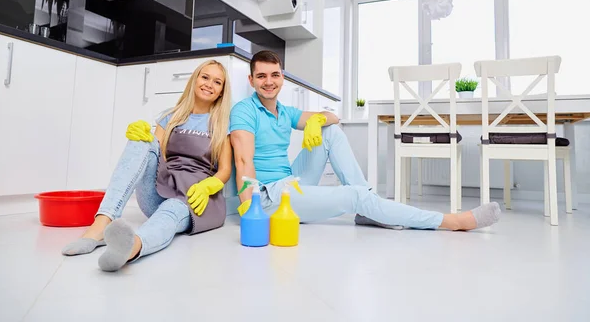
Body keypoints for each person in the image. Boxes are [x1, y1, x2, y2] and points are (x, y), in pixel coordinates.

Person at [230, 51, 500, 231]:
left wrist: (317, 120)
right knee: (355, 196)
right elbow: (243, 160)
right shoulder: (244, 110)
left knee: (331, 132)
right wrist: (249, 211)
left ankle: (369, 206)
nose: (269, 82)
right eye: (262, 76)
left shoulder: (284, 111)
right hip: (266, 198)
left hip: (290, 183)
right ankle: (451, 222)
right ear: (251, 80)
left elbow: (332, 117)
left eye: (274, 75)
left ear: (282, 78)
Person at [62, 60, 233, 271]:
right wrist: (142, 139)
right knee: (142, 140)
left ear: (221, 92)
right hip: (164, 189)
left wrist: (208, 186)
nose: (209, 84)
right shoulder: (171, 117)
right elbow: (155, 154)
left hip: (196, 199)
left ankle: (131, 247)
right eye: (205, 77)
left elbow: (225, 169)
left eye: (217, 82)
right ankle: (101, 224)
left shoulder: (223, 124)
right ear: (195, 79)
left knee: (172, 209)